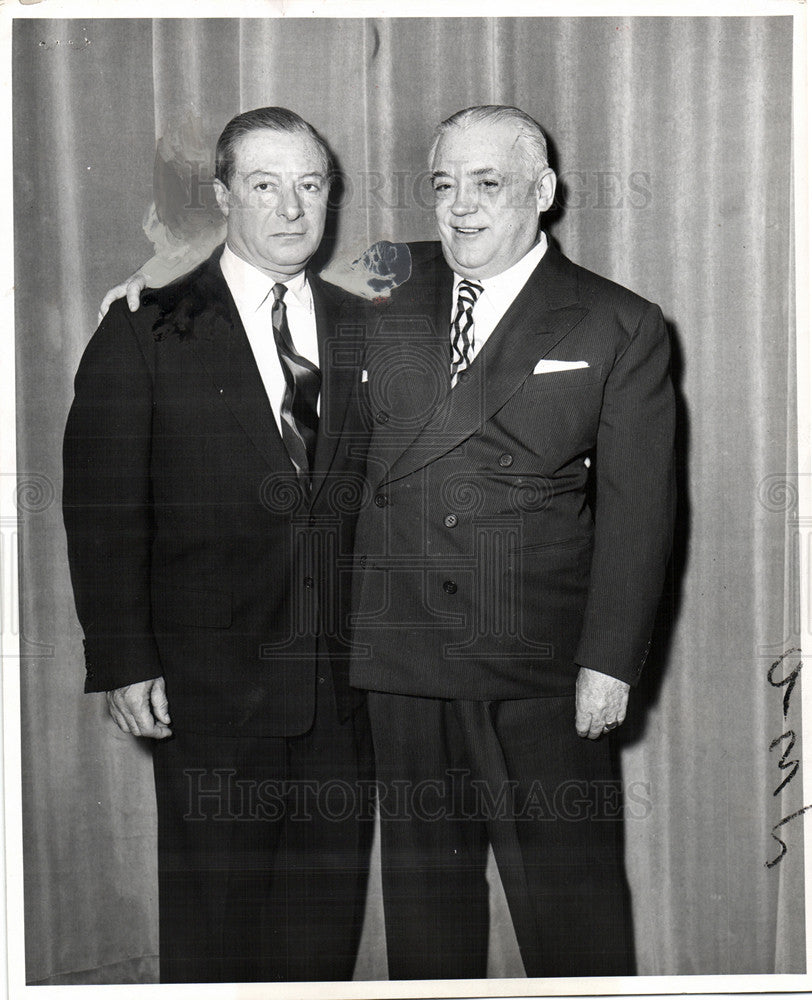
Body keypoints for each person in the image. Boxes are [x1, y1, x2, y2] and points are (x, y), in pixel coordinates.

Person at [349, 105, 676, 979]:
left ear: (543, 192)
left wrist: (608, 663)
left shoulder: (616, 321)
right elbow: (260, 257)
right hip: (406, 662)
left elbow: (641, 510)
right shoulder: (383, 283)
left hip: (539, 668)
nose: (461, 207)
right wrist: (160, 292)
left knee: (573, 922)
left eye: (488, 184)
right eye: (444, 185)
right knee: (427, 931)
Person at [62, 106, 374, 983]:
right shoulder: (143, 327)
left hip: (343, 699)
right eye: (264, 185)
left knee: (322, 944)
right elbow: (102, 508)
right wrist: (124, 661)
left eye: (310, 185)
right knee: (217, 944)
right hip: (208, 695)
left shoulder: (371, 330)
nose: (290, 208)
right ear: (222, 195)